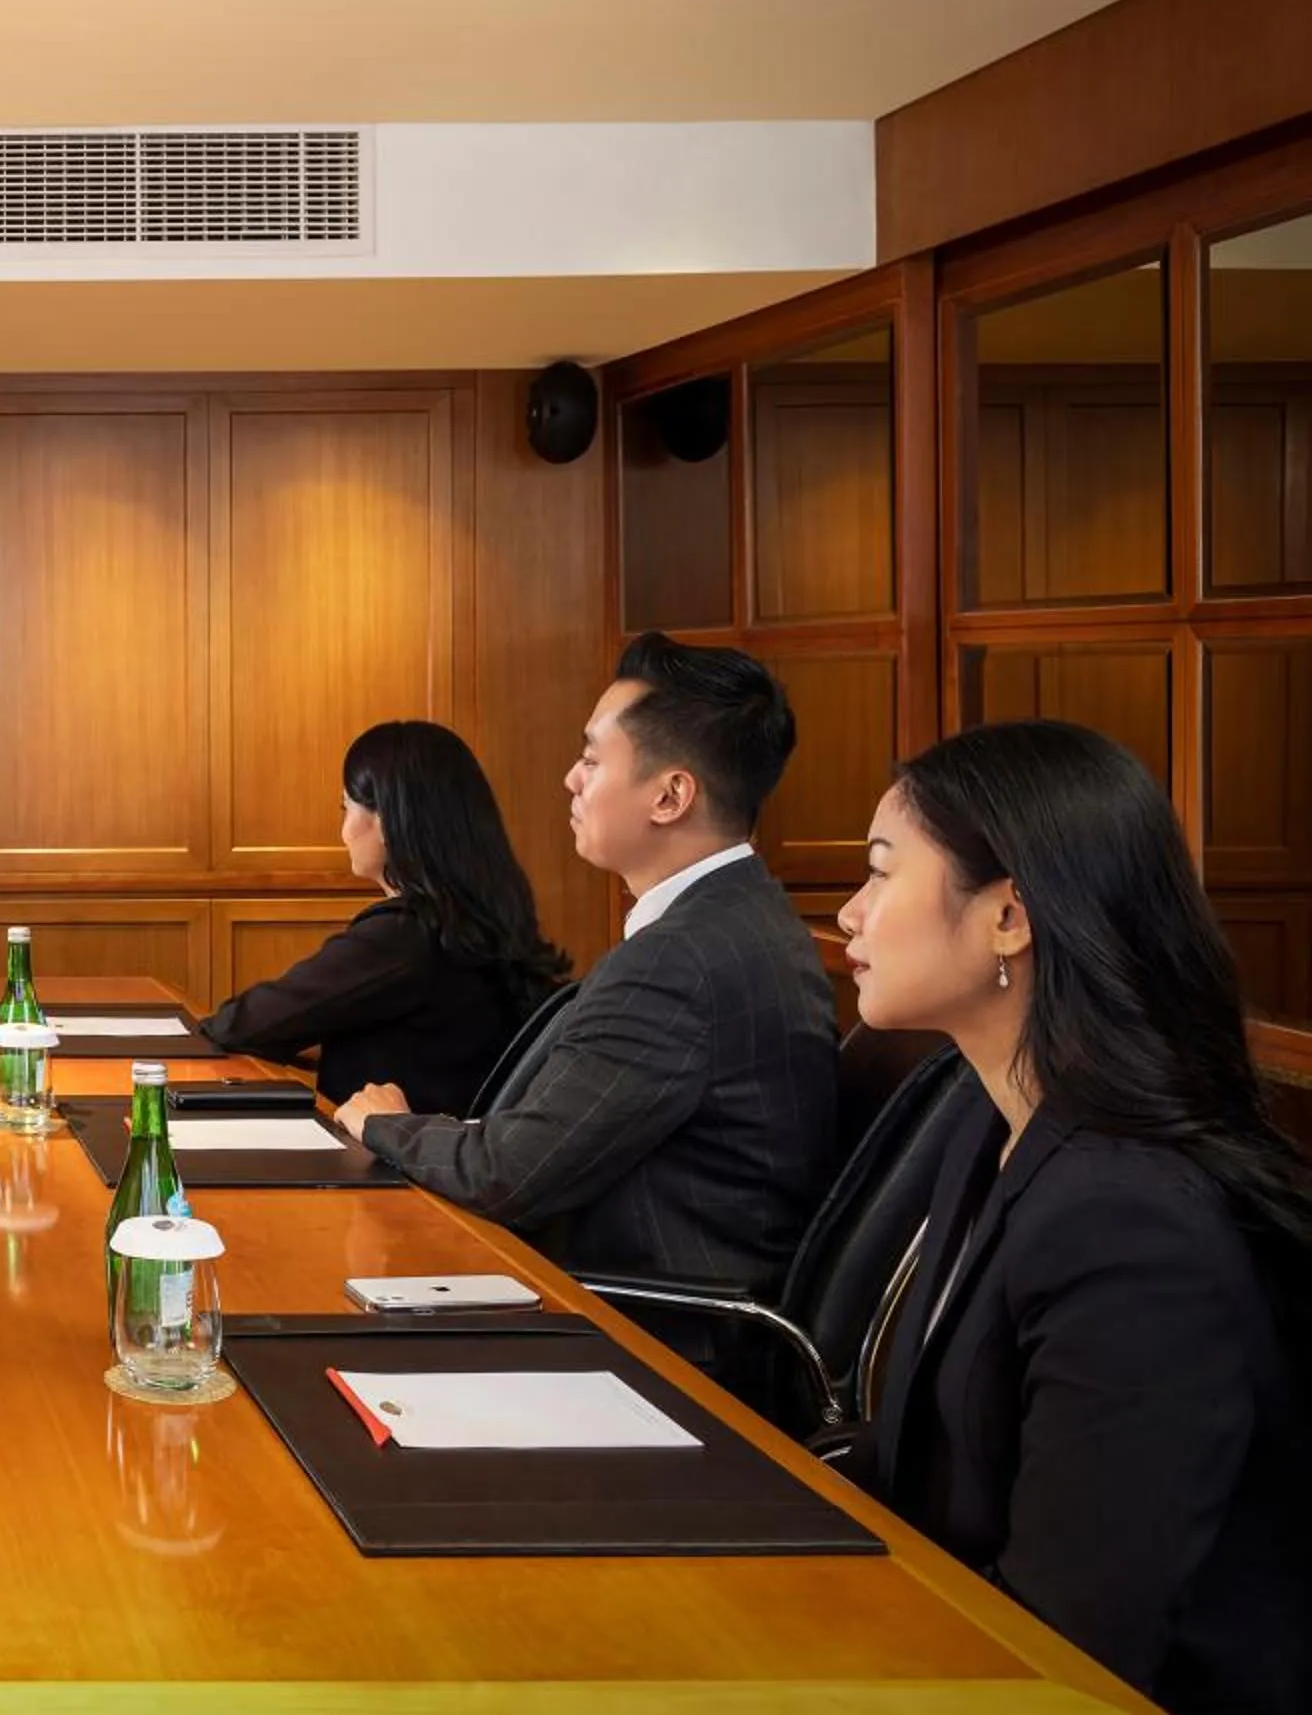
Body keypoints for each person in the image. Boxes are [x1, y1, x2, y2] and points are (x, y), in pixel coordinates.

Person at [836, 722, 1309, 1715]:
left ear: (1008, 914)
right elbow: (910, 1456)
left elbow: (1073, 1647)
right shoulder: (991, 1123)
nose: (849, 914)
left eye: (881, 875)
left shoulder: (1130, 1226)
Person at [333, 635, 837, 1399]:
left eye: (592, 759)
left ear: (670, 796)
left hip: (659, 1353)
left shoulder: (686, 959)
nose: (570, 779)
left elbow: (509, 1174)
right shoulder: (733, 920)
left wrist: (385, 1123)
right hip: (635, 1310)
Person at [201, 721, 569, 1114]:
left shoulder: (403, 935)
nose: (343, 832)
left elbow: (240, 1025)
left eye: (346, 808)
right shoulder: (474, 915)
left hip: (395, 1164)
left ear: (387, 821)